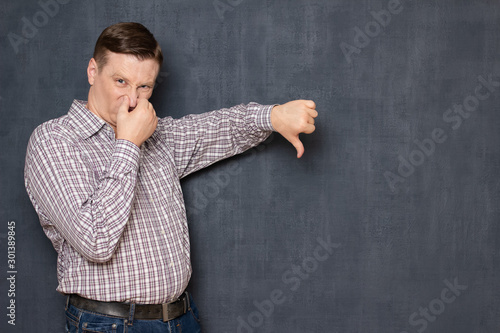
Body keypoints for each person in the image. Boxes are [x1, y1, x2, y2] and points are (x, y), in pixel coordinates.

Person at [24, 22, 317, 332]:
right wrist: (128, 144)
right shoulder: (54, 141)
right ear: (93, 71)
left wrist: (273, 116)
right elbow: (96, 240)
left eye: (144, 87)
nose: (133, 100)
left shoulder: (156, 134)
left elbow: (218, 128)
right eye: (120, 81)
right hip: (110, 324)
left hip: (181, 319)